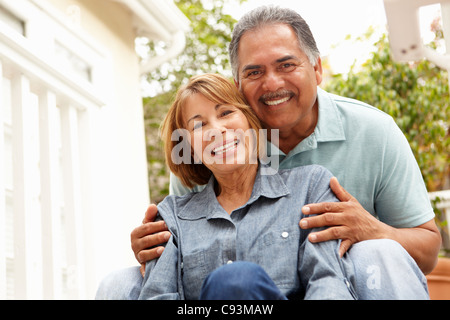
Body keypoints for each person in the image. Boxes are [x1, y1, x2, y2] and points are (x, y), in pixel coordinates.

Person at [96, 6, 436, 299]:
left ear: (317, 70)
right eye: (254, 72)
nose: (272, 83)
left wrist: (374, 229)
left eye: (286, 65)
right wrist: (156, 249)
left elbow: (424, 248)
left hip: (344, 281)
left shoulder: (370, 133)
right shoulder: (205, 159)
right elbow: (170, 267)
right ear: (240, 88)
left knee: (376, 252)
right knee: (120, 282)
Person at [137, 73, 356, 300]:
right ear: (189, 147)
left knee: (237, 279)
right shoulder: (171, 218)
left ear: (249, 121)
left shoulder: (311, 186)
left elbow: (328, 281)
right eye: (199, 125)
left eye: (226, 113)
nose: (217, 130)